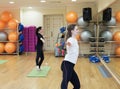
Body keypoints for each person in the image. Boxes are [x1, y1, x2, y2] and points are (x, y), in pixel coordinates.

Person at [61, 24, 80, 89]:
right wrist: (66, 43)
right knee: (65, 83)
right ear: (72, 31)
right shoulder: (71, 39)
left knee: (77, 86)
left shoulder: (75, 39)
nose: (78, 31)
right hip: (67, 64)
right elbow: (69, 43)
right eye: (76, 29)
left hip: (71, 66)